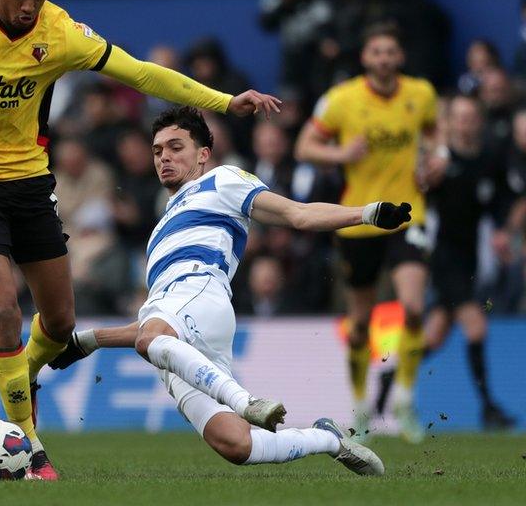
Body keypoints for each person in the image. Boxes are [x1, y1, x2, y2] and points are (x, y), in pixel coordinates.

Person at [0, 0, 280, 480]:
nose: (28, 6)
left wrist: (224, 102)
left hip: (30, 182)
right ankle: (32, 444)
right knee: (3, 306)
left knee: (61, 323)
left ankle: (24, 379)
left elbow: (140, 73)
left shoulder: (59, 31)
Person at [50, 106, 402, 474]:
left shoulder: (223, 180)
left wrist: (366, 213)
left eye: (175, 147)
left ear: (203, 154)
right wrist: (84, 341)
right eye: (157, 151)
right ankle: (328, 439)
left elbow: (298, 215)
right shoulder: (161, 227)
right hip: (177, 327)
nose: (164, 157)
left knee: (152, 338)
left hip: (201, 294)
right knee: (236, 445)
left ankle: (246, 401)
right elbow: (150, 327)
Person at [292, 22, 445, 443]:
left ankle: (404, 399)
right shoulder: (341, 100)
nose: (383, 59)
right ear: (365, 58)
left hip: (408, 216)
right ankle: (361, 408)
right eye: (376, 51)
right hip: (359, 220)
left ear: (400, 57)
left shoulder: (421, 94)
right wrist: (341, 152)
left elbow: (435, 132)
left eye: (390, 51)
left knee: (413, 307)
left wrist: (439, 156)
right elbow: (304, 146)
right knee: (360, 323)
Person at [406, 95, 515, 429]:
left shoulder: (489, 159)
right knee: (476, 325)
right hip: (444, 256)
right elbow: (417, 189)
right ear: (449, 123)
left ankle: (388, 384)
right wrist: (426, 169)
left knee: (435, 336)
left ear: (479, 122)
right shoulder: (440, 161)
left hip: (470, 258)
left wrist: (504, 231)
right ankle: (488, 407)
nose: (466, 124)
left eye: (471, 117)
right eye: (459, 117)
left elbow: (503, 200)